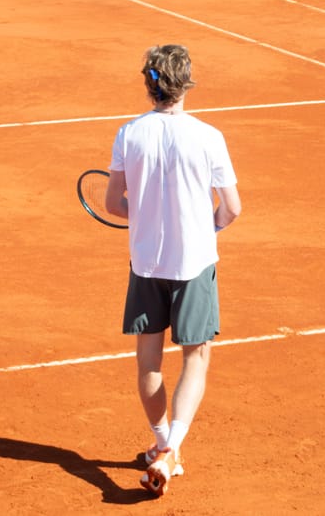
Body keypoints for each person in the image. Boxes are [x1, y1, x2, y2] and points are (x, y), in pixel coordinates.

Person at [104, 44, 241, 497]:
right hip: (194, 261)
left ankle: (161, 442)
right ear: (187, 83)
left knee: (149, 359)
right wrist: (209, 228)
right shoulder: (209, 136)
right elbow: (232, 209)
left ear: (150, 84)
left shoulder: (128, 133)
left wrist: (143, 214)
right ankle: (172, 449)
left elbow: (113, 204)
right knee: (196, 357)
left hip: (146, 263)